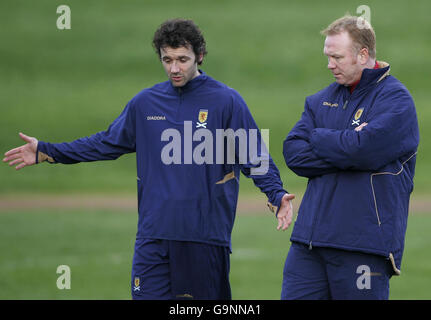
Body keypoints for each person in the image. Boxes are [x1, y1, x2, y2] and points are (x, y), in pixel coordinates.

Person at [3, 18, 294, 300]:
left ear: (200, 56)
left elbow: (254, 155)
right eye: (167, 60)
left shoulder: (226, 101)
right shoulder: (145, 103)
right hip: (152, 237)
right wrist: (47, 150)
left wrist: (276, 193)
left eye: (182, 59)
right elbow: (105, 143)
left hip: (203, 237)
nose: (174, 68)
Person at [282, 15, 419, 300]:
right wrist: (350, 147)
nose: (330, 64)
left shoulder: (397, 101)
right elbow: (294, 153)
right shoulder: (319, 100)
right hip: (308, 244)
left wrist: (319, 137)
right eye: (328, 56)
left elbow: (363, 150)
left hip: (364, 246)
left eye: (337, 57)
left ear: (363, 55)